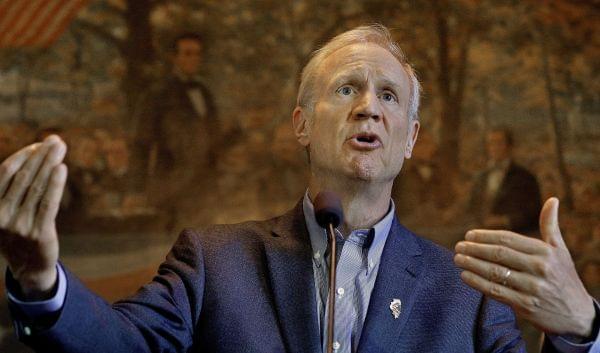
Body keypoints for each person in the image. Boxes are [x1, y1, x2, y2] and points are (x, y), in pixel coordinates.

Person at [0, 25, 598, 353]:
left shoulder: (467, 295)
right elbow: (120, 345)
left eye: (388, 95)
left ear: (410, 138)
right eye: (347, 89)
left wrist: (580, 330)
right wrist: (39, 282)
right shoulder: (213, 263)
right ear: (302, 125)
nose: (369, 108)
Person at [132, 32, 218, 230]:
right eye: (187, 53)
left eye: (197, 54)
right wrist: (135, 190)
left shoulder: (204, 92)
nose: (193, 59)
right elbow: (141, 143)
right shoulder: (157, 94)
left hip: (204, 187)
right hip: (171, 186)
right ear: (174, 57)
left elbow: (213, 139)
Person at [469, 127, 542, 234]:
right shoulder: (481, 177)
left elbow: (533, 213)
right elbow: (471, 207)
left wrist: (505, 220)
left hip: (513, 235)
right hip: (481, 234)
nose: (494, 147)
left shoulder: (525, 177)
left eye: (499, 143)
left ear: (509, 147)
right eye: (491, 143)